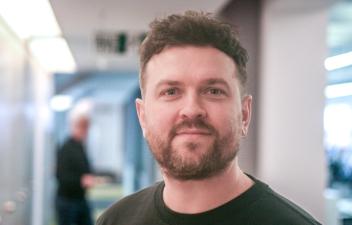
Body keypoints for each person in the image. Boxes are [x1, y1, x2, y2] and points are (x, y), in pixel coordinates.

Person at [97, 11, 321, 225]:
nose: (192, 109)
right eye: (171, 92)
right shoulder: (115, 220)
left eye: (213, 91)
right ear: (143, 117)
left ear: (244, 114)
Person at [56, 106, 95, 225]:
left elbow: (85, 168)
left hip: (80, 199)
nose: (86, 132)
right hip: (67, 201)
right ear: (76, 126)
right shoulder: (66, 148)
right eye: (84, 128)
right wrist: (81, 181)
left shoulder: (80, 146)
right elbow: (61, 176)